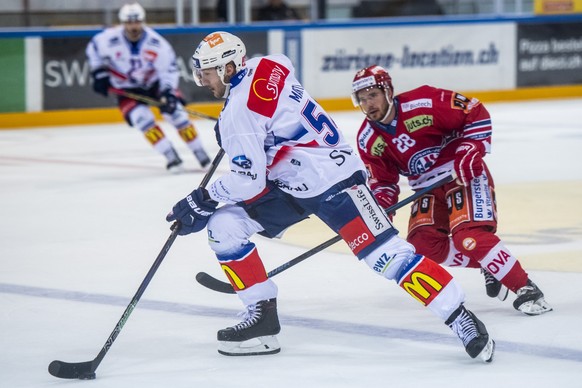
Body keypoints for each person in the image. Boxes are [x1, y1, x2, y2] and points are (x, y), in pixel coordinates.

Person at [166, 31, 495, 362]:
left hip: (336, 184)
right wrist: (249, 136)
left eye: (206, 73)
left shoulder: (239, 113)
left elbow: (248, 181)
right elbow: (279, 80)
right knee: (225, 227)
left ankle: (460, 318)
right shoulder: (269, 64)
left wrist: (203, 198)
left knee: (387, 258)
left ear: (227, 68)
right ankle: (261, 318)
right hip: (290, 183)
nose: (202, 80)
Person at [350, 65, 552, 316]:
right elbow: (384, 182)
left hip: (462, 175)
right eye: (362, 98)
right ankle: (491, 265)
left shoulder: (423, 102)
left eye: (372, 95)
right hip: (426, 188)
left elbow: (474, 111)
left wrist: (470, 148)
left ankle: (526, 289)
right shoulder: (367, 139)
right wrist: (380, 208)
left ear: (388, 91)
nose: (368, 103)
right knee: (423, 247)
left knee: (470, 238)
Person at [86, 2, 210, 172]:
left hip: (154, 85)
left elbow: (168, 70)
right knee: (142, 120)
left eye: (136, 21)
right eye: (129, 22)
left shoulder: (157, 43)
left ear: (142, 21)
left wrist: (167, 91)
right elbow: (93, 50)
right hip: (126, 90)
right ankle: (170, 155)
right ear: (123, 22)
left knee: (177, 114)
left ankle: (199, 152)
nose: (133, 26)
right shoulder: (107, 39)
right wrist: (98, 72)